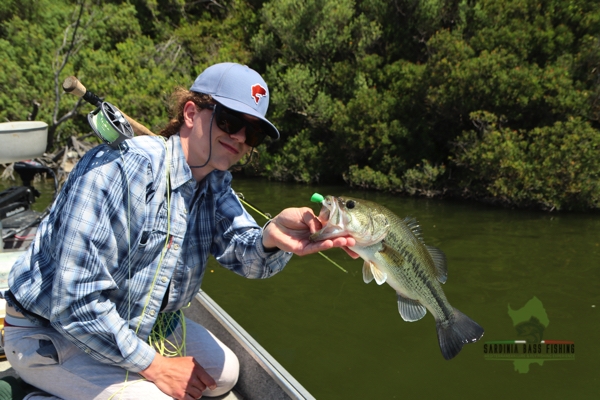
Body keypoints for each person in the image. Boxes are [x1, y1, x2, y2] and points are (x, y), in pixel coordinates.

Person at [2, 62, 356, 400]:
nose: (240, 138)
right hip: (51, 331)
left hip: (141, 322)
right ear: (190, 113)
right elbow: (74, 302)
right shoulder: (119, 170)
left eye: (254, 133)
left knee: (225, 375)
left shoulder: (216, 185)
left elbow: (249, 257)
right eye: (231, 121)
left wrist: (272, 236)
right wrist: (155, 366)